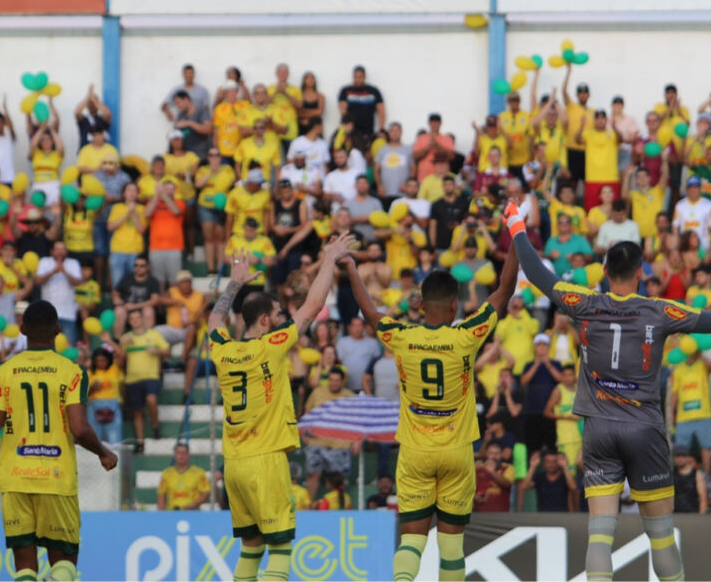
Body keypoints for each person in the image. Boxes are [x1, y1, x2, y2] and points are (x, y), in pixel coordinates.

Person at [506, 199, 711, 582]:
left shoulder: (583, 302)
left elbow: (534, 271)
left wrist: (516, 223)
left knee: (600, 537)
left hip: (598, 428)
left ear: (603, 270)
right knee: (661, 537)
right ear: (640, 272)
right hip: (645, 430)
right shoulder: (658, 309)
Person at [342, 217, 518, 582]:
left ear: (420, 303)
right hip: (456, 451)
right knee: (452, 547)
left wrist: (350, 268)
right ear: (454, 305)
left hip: (416, 451)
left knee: (411, 541)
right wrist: (515, 234)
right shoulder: (467, 336)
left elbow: (371, 313)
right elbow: (503, 291)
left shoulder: (401, 336)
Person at [208, 232, 354, 582]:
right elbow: (313, 307)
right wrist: (330, 259)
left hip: (234, 465)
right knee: (281, 549)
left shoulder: (222, 351)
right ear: (264, 322)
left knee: (250, 547)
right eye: (276, 314)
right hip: (266, 460)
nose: (281, 317)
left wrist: (232, 285)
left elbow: (214, 321)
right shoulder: (270, 346)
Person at [0, 300, 118, 582]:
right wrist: (103, 451)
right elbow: (79, 428)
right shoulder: (72, 371)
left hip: (15, 479)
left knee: (24, 567)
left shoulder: (2, 373)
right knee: (65, 563)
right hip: (55, 477)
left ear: (22, 329)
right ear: (57, 329)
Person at [119, 308, 170, 454]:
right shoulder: (125, 338)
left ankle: (155, 428)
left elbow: (168, 351)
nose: (135, 321)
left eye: (137, 317)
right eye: (132, 319)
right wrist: (123, 346)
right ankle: (140, 442)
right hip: (132, 379)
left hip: (151, 377)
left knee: (151, 400)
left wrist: (157, 351)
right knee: (137, 412)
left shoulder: (154, 335)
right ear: (129, 322)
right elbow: (121, 361)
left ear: (142, 318)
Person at [302, 367, 356, 498]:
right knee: (312, 475)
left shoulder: (350, 396)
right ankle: (309, 508)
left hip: (340, 444)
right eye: (331, 380)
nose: (334, 383)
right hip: (317, 442)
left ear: (342, 381)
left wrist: (357, 442)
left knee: (336, 479)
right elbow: (308, 413)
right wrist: (304, 433)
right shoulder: (317, 392)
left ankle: (335, 508)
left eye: (337, 380)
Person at [35, 241, 84, 345]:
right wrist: (54, 271)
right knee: (48, 346)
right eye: (57, 249)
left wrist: (64, 271)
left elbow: (78, 282)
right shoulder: (44, 261)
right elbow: (38, 281)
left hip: (68, 314)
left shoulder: (73, 263)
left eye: (62, 249)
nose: (60, 252)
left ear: (66, 251)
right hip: (48, 315)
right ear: (52, 251)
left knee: (69, 347)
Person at [156, 443, 211, 510]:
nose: (181, 456)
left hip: (193, 513)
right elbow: (161, 494)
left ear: (189, 455)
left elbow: (206, 493)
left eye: (184, 453)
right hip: (172, 513)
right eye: (178, 453)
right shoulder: (166, 474)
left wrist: (193, 505)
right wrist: (162, 514)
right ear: (175, 455)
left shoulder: (199, 473)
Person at [337, 65, 385, 141]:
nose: (358, 79)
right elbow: (343, 111)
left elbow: (381, 111)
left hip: (368, 131)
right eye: (356, 77)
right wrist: (348, 128)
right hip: (351, 132)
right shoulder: (345, 91)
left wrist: (381, 129)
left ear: (364, 77)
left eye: (360, 77)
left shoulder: (373, 91)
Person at [473, 441, 515, 513]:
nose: (494, 456)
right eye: (491, 453)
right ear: (486, 454)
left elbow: (506, 483)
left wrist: (492, 471)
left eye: (497, 453)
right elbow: (468, 487)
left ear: (501, 454)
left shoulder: (508, 468)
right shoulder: (478, 468)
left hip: (502, 514)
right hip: (478, 513)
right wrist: (474, 497)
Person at [672, 446, 708, 514]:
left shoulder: (697, 474)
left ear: (688, 457)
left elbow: (703, 497)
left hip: (692, 514)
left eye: (683, 456)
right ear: (674, 457)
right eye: (677, 456)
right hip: (674, 514)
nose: (680, 458)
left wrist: (702, 516)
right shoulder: (670, 474)